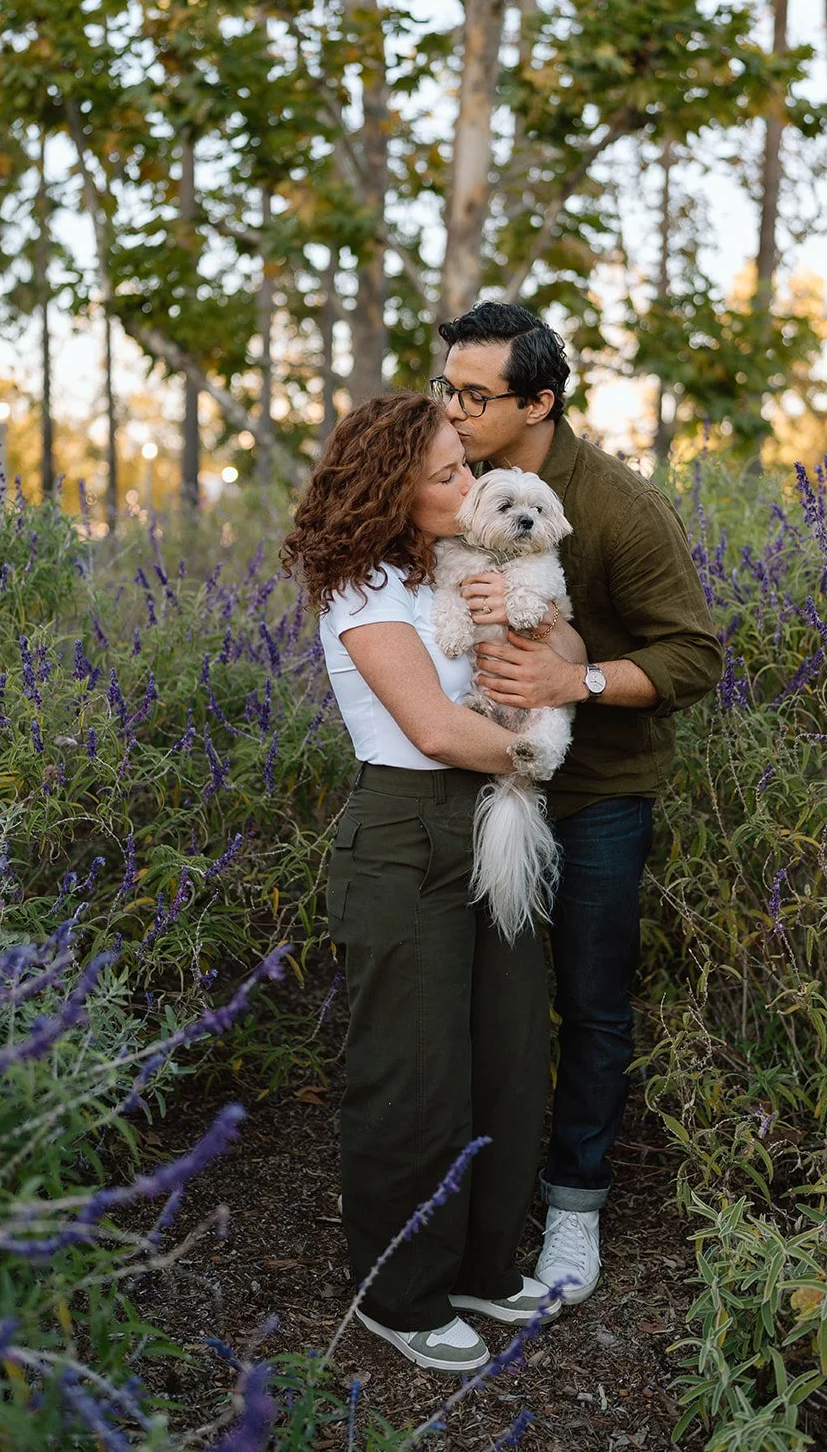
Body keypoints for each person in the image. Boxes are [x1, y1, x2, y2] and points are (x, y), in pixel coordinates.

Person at [280, 392, 586, 1372]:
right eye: (446, 473)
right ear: (391, 490)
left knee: (507, 1053)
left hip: (495, 817)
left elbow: (566, 653)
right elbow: (435, 728)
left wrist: (551, 655)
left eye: (467, 465)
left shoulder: (471, 563)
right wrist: (539, 755)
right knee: (413, 1073)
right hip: (407, 830)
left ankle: (482, 1267)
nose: (468, 484)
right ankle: (400, 1296)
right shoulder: (361, 586)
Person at [432, 302, 723, 1307]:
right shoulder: (447, 479)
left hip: (598, 791)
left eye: (475, 396)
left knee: (592, 1001)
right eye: (447, 388)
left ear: (538, 402)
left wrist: (576, 680)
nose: (453, 410)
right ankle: (468, 1200)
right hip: (473, 771)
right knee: (478, 997)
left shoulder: (619, 507)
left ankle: (572, 1207)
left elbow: (693, 655)